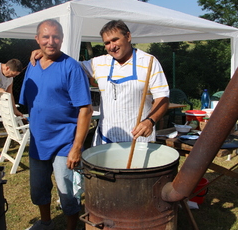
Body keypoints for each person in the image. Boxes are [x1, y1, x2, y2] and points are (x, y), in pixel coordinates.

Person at [31, 20, 169, 146]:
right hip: (105, 140)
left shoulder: (149, 62)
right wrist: (48, 53)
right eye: (107, 43)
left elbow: (162, 98)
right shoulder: (98, 63)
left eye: (115, 40)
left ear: (128, 36)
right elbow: (69, 67)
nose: (112, 46)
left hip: (139, 141)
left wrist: (150, 121)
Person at [19, 19, 92, 230]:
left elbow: (85, 110)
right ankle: (46, 222)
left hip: (64, 142)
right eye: (46, 37)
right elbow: (30, 101)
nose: (51, 41)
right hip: (39, 141)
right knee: (39, 189)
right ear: (37, 39)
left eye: (56, 37)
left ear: (62, 39)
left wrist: (77, 147)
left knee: (67, 191)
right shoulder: (32, 65)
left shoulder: (71, 67)